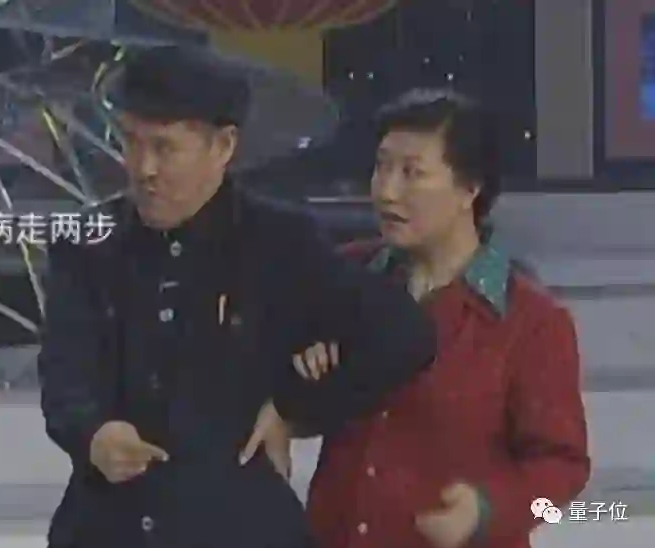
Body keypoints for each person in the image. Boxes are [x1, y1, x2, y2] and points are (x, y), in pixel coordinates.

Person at [36, 45, 437, 548]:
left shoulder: (279, 243)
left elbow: (403, 336)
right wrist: (92, 434)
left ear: (223, 146)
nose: (144, 168)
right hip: (108, 528)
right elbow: (64, 370)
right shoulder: (88, 243)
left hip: (238, 527)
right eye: (131, 143)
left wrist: (297, 408)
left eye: (165, 148)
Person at [274, 89, 590, 548]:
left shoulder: (532, 320)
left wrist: (486, 511)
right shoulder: (343, 277)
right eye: (381, 167)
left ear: (469, 189)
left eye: (412, 173)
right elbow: (285, 392)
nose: (386, 190)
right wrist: (299, 365)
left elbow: (563, 469)